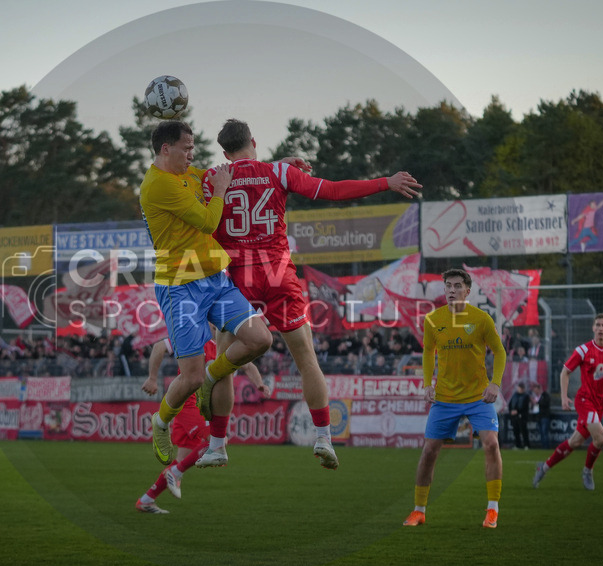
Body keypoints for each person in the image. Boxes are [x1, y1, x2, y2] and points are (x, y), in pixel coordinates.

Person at [211, 118, 422, 469]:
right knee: (306, 358)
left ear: (224, 151)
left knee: (224, 364)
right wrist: (386, 181)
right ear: (253, 140)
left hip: (239, 278)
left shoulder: (213, 177)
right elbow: (335, 191)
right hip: (279, 274)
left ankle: (217, 444)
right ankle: (324, 437)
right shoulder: (279, 172)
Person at [139, 120, 273, 468]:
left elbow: (229, 170)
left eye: (193, 148)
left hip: (214, 279)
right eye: (187, 149)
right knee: (191, 376)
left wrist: (282, 163)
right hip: (179, 287)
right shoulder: (157, 186)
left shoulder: (188, 173)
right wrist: (219, 193)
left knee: (260, 339)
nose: (192, 155)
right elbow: (208, 222)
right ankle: (160, 422)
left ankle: (214, 376)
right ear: (166, 149)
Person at [404, 268, 507, 529]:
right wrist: (427, 384)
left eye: (457, 286)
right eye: (448, 285)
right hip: (445, 397)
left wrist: (495, 383)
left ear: (467, 291)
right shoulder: (432, 320)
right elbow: (428, 353)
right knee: (429, 451)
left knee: (491, 444)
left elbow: (499, 352)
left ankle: (492, 509)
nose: (452, 290)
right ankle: (418, 511)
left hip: (478, 396)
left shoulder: (481, 319)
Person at [136, 336, 266, 513]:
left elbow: (249, 366)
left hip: (201, 404)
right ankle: (176, 472)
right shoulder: (198, 335)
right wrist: (152, 378)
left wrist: (259, 384)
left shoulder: (230, 343)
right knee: (216, 441)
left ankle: (146, 500)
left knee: (183, 459)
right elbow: (159, 346)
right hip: (187, 401)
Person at [533, 314, 603, 491]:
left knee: (575, 442)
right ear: (593, 328)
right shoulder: (583, 351)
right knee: (601, 439)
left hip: (600, 405)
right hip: (584, 401)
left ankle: (544, 467)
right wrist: (563, 397)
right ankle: (587, 471)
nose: (601, 328)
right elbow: (565, 372)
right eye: (598, 325)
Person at [508, 383, 531, 449]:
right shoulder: (514, 395)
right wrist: (511, 411)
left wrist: (517, 411)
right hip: (514, 417)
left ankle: (526, 445)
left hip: (522, 416)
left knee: (524, 431)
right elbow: (510, 404)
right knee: (516, 431)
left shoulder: (526, 396)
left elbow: (525, 407)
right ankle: (518, 444)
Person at [531, 382, 552, 449]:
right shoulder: (536, 397)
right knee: (541, 433)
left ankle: (546, 446)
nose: (535, 391)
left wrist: (537, 402)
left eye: (536, 390)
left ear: (539, 389)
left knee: (544, 432)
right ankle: (543, 446)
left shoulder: (545, 395)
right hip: (539, 417)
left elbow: (546, 403)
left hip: (544, 416)